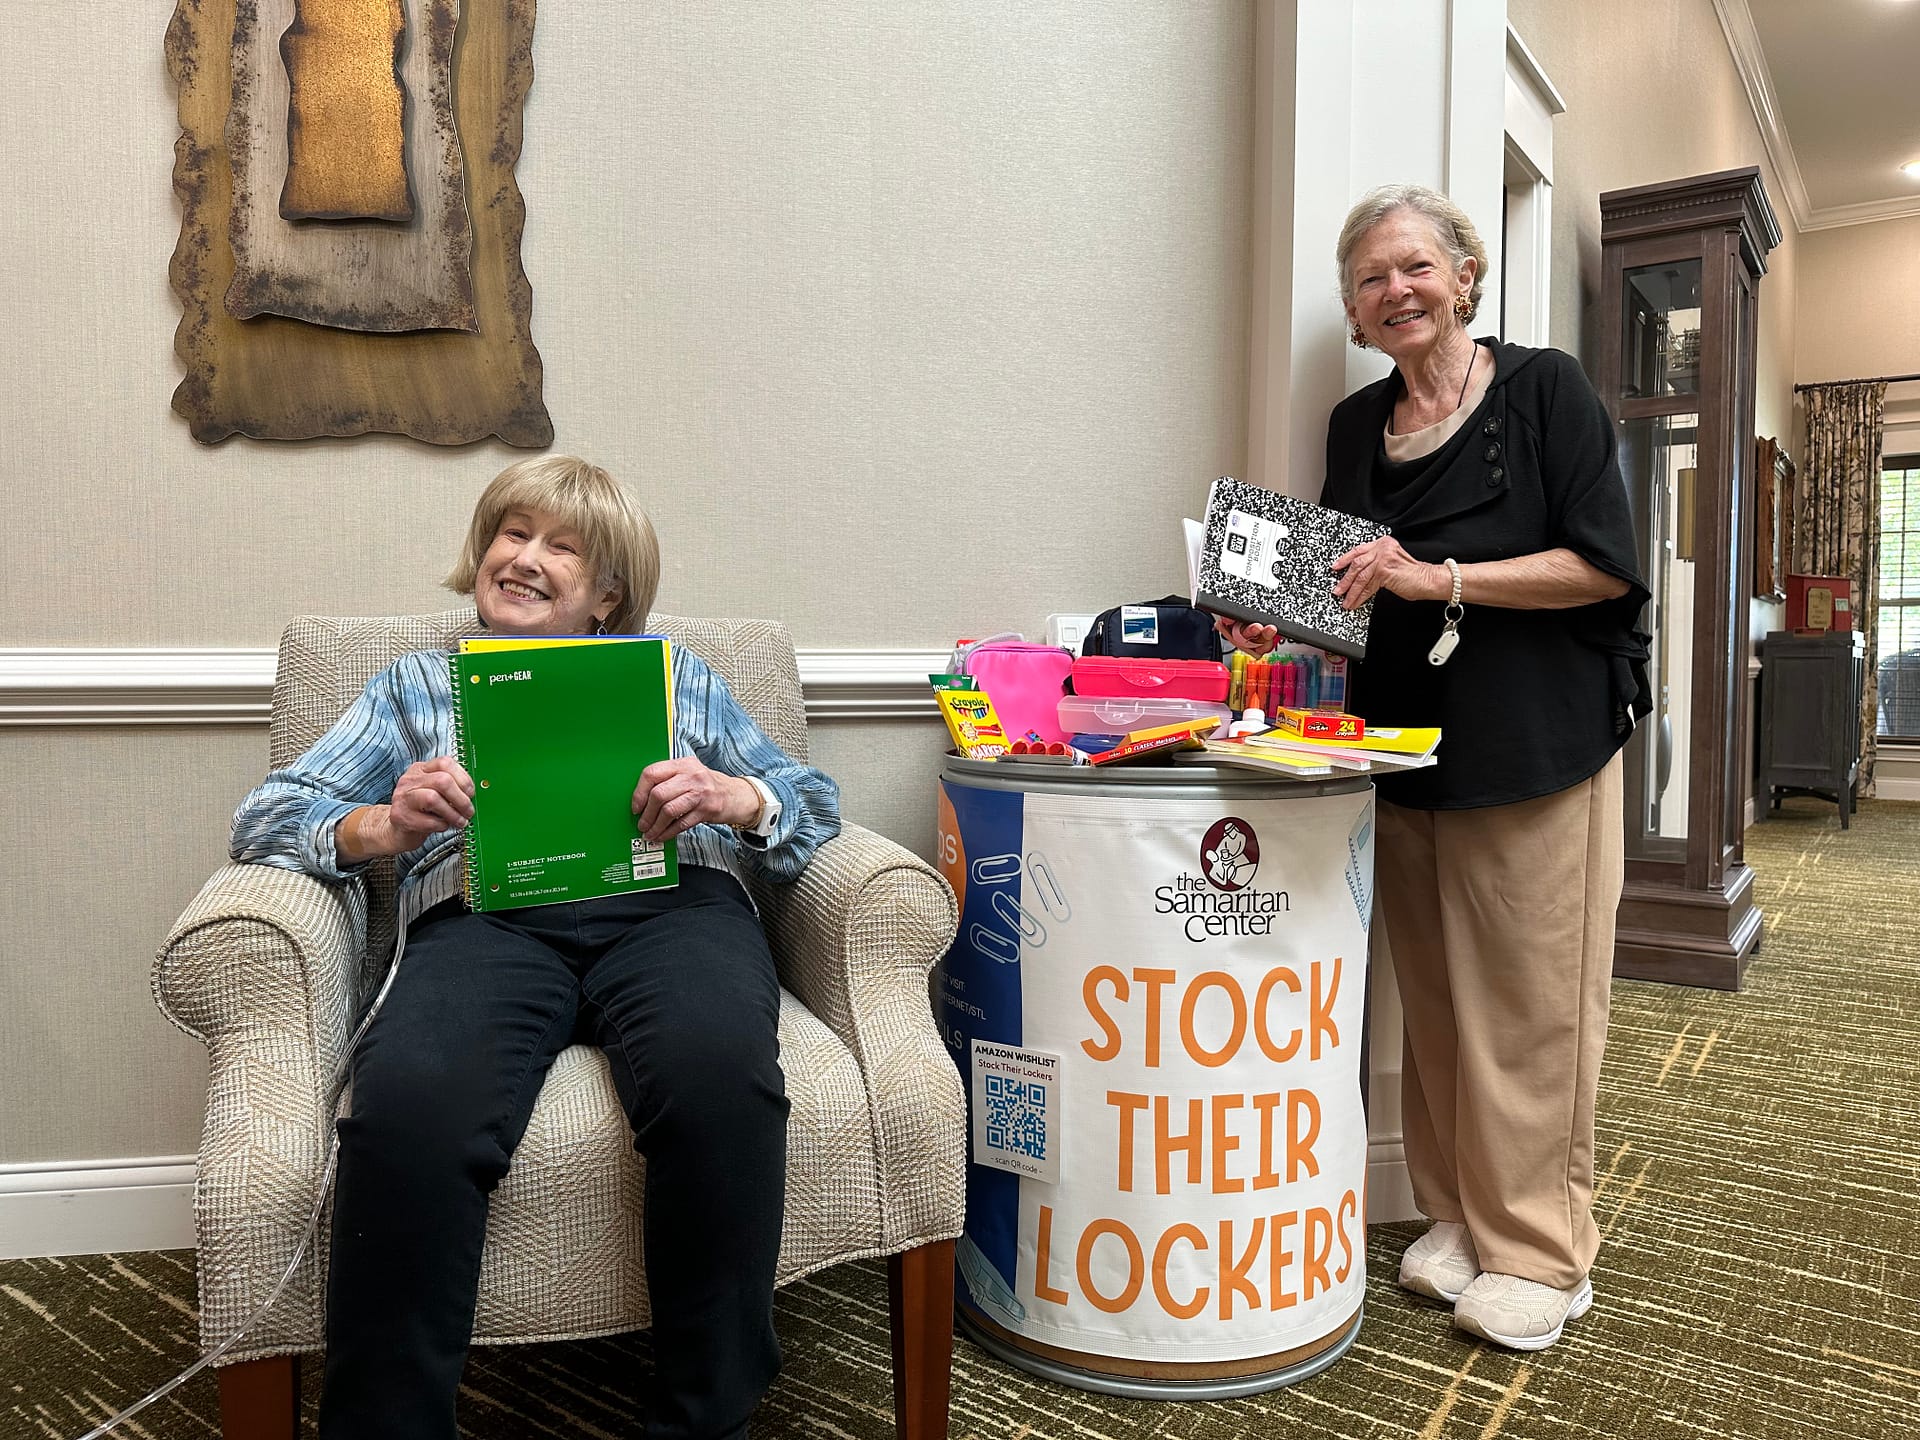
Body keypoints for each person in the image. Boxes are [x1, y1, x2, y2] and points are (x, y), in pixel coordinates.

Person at [231, 456, 842, 1438]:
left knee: (720, 1076)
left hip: (674, 907)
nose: (523, 557)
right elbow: (270, 815)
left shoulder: (676, 677)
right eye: (513, 533)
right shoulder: (417, 685)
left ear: (607, 595)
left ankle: (704, 1414)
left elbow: (810, 806)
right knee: (410, 1106)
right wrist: (382, 827)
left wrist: (739, 798)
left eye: (562, 546)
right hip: (485, 917)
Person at [1217, 184, 1650, 1351]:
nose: (1395, 290)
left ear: (1464, 274)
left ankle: (1543, 1253)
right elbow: (1344, 582)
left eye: (1415, 266)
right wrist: (1280, 620)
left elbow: (1602, 568)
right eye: (1370, 279)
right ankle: (1461, 1218)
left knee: (1532, 1011)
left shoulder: (1543, 389)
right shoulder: (1357, 426)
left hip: (1537, 746)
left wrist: (1440, 577)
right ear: (1355, 314)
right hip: (1400, 751)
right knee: (1442, 1007)